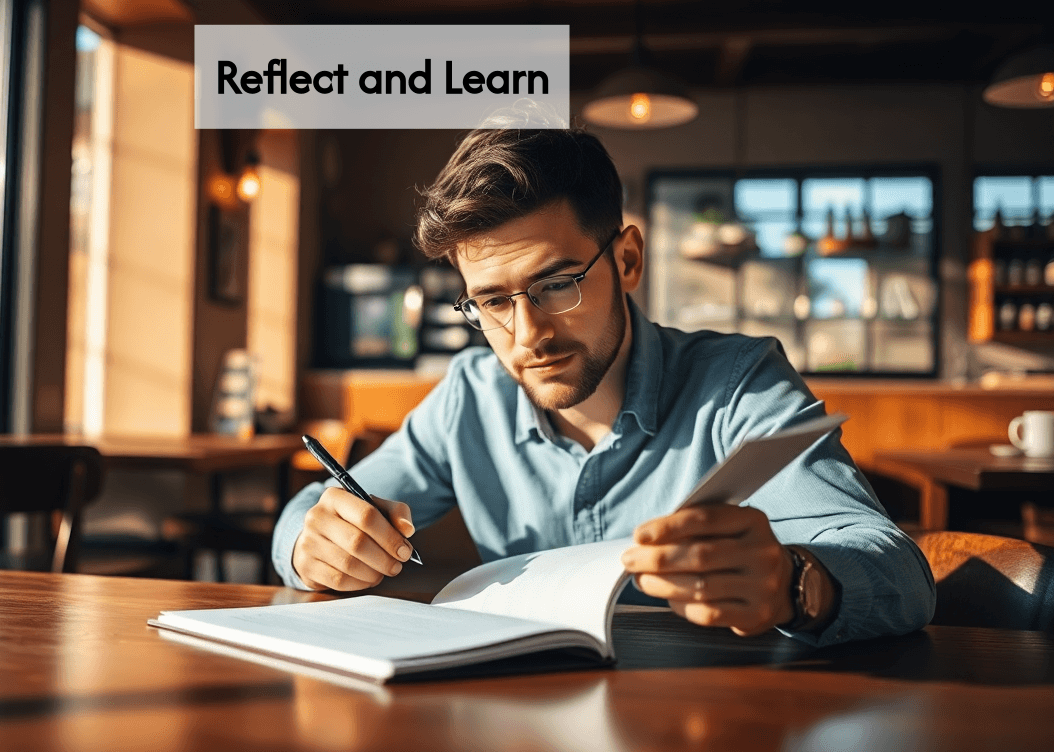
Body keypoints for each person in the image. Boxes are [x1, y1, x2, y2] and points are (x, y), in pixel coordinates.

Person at [272, 127, 935, 645]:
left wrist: (796, 583)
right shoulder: (469, 396)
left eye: (556, 283)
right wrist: (314, 542)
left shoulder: (739, 385)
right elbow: (323, 504)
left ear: (627, 260)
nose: (527, 335)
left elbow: (893, 566)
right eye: (493, 303)